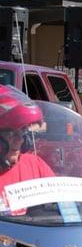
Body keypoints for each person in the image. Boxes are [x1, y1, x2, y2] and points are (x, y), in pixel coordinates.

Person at [0, 86, 55, 216]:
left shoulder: (34, 165)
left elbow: (61, 207)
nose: (20, 140)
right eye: (10, 133)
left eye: (23, 131)